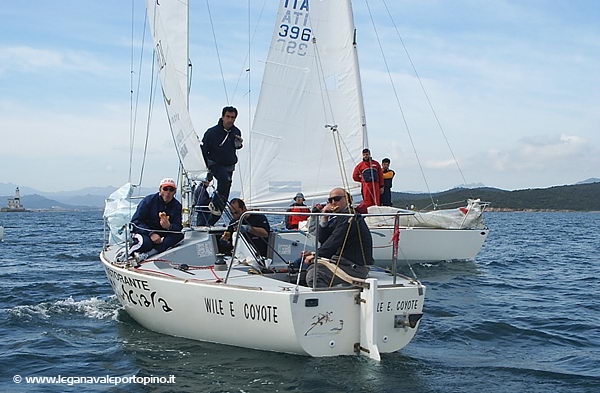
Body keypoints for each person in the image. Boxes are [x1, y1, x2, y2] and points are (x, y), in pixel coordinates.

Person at [303, 188, 373, 287]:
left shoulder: (351, 217)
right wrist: (324, 218)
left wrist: (316, 254)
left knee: (315, 276)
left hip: (354, 267)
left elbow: (335, 240)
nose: (333, 202)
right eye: (330, 200)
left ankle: (328, 302)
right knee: (301, 266)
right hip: (340, 262)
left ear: (348, 199)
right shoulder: (339, 217)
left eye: (336, 199)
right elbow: (324, 239)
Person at [201, 106, 243, 225]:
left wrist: (238, 144)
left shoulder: (236, 132)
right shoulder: (212, 132)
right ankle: (213, 205)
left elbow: (236, 147)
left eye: (233, 118)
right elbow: (204, 150)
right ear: (223, 117)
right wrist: (205, 169)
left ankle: (211, 220)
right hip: (215, 163)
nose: (230, 120)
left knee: (225, 192)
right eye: (228, 117)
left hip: (229, 165)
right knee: (224, 180)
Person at [129, 178, 184, 257]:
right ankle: (129, 254)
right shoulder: (149, 201)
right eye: (165, 189)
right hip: (145, 232)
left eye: (171, 189)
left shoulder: (177, 206)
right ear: (160, 190)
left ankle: (150, 254)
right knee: (146, 243)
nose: (168, 192)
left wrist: (169, 226)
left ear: (174, 192)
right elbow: (136, 221)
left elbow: (178, 226)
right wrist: (151, 234)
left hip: (162, 234)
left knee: (179, 236)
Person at [352, 148, 384, 213]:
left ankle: (377, 213)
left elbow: (380, 175)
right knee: (367, 201)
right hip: (366, 186)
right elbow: (355, 176)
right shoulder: (360, 165)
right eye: (364, 155)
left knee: (376, 200)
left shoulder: (376, 164)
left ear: (369, 154)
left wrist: (381, 186)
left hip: (375, 185)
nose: (365, 156)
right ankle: (368, 214)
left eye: (367, 154)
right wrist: (363, 180)